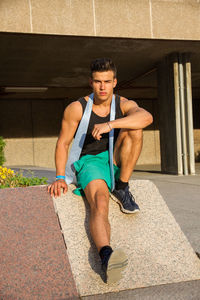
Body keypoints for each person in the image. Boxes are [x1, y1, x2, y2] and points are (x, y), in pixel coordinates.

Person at [48, 58, 153, 284]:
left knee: (135, 129)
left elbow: (147, 117)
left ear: (115, 82)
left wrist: (110, 125)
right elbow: (63, 143)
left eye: (107, 81)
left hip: (113, 157)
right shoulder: (77, 108)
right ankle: (106, 256)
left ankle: (122, 187)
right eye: (97, 82)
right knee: (100, 202)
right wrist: (59, 177)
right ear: (91, 82)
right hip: (90, 161)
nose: (102, 87)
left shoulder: (122, 103)